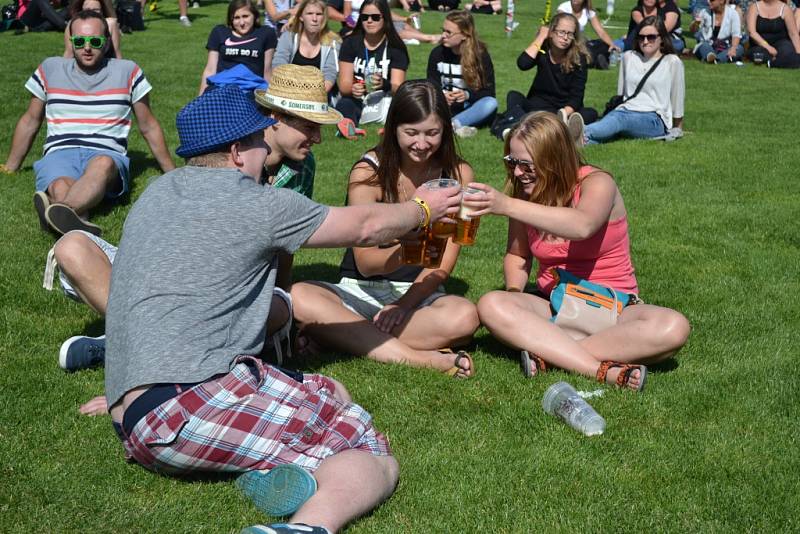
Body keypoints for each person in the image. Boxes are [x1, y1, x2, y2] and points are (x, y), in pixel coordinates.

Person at [104, 83, 462, 533]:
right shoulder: (257, 203)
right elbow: (367, 227)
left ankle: (269, 472)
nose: (264, 150)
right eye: (258, 141)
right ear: (237, 151)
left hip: (132, 415)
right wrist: (422, 209)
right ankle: (305, 527)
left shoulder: (157, 193)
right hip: (188, 408)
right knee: (368, 449)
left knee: (331, 390)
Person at [465, 112, 690, 391]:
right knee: (492, 304)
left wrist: (505, 205)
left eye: (526, 165)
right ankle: (598, 369)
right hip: (556, 304)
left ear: (554, 160)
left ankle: (550, 352)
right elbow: (518, 255)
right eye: (512, 162)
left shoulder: (597, 183)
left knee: (674, 326)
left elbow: (582, 225)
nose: (517, 173)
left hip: (615, 308)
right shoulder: (525, 194)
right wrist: (514, 294)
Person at [291, 80, 480, 378]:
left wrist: (404, 305)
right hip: (360, 290)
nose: (421, 143)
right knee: (298, 295)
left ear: (445, 130)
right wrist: (415, 234)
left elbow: (443, 265)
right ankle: (421, 358)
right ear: (393, 129)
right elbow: (366, 264)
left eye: (432, 133)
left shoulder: (457, 174)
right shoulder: (369, 172)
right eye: (411, 133)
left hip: (419, 292)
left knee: (465, 316)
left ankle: (342, 337)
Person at [1, 10, 175, 237]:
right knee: (59, 185)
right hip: (60, 151)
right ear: (70, 40)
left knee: (102, 164)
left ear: (106, 41)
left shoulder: (128, 71)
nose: (87, 47)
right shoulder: (50, 68)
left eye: (95, 40)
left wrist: (171, 172)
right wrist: (11, 166)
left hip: (106, 153)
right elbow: (31, 119)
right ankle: (76, 221)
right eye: (80, 41)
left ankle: (60, 212)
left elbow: (148, 125)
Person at [584, 16, 685, 144]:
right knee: (605, 135)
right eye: (641, 37)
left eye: (651, 37)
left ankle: (572, 132)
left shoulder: (672, 61)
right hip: (625, 110)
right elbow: (621, 95)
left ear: (662, 39)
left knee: (619, 120)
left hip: (654, 118)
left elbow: (677, 98)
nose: (645, 41)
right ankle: (573, 143)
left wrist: (678, 126)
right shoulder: (628, 57)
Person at [505, 13, 597, 145]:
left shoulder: (578, 59)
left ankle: (545, 127)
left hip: (563, 110)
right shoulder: (542, 50)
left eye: (570, 34)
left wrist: (564, 114)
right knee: (513, 96)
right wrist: (541, 37)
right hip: (537, 106)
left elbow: (577, 97)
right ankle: (556, 130)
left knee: (591, 113)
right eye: (561, 32)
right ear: (552, 32)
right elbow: (523, 64)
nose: (565, 38)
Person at [335, 0, 409, 138]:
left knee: (405, 105)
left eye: (375, 17)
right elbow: (344, 86)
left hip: (386, 98)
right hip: (358, 98)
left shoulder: (396, 47)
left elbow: (399, 87)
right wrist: (353, 88)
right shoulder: (350, 43)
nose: (369, 21)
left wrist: (384, 84)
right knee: (345, 103)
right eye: (364, 17)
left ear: (385, 18)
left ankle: (392, 129)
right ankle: (348, 127)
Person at [427, 10, 497, 137]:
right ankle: (458, 126)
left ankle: (450, 125)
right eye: (443, 30)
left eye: (449, 32)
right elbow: (431, 85)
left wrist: (466, 95)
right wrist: (442, 95)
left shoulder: (480, 56)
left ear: (465, 34)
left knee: (490, 103)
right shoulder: (437, 53)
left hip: (468, 106)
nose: (443, 35)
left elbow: (489, 92)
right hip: (443, 105)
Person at [199, 0, 278, 94]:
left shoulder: (266, 33)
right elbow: (210, 69)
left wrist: (268, 100)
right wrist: (200, 98)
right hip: (221, 87)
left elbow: (267, 70)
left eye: (245, 16)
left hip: (251, 88)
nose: (241, 23)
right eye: (236, 18)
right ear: (231, 20)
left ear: (255, 16)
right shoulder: (219, 32)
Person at [272, 0, 341, 93]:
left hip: (319, 95)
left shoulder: (333, 42)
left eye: (319, 14)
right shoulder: (288, 37)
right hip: (288, 91)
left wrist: (312, 94)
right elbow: (278, 65)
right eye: (309, 13)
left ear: (324, 17)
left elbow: (330, 74)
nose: (314, 18)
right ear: (301, 17)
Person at [557, 0, 621, 69]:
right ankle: (595, 61)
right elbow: (564, 30)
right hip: (567, 43)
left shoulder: (588, 11)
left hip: (582, 43)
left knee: (604, 44)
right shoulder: (563, 8)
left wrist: (612, 44)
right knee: (582, 52)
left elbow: (600, 31)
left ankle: (593, 60)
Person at [745, 0, 800, 68]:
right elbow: (752, 32)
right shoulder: (754, 7)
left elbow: (793, 34)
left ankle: (774, 63)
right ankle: (778, 62)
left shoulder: (785, 9)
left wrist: (798, 54)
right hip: (759, 45)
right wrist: (768, 47)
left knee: (787, 52)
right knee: (759, 55)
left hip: (781, 43)